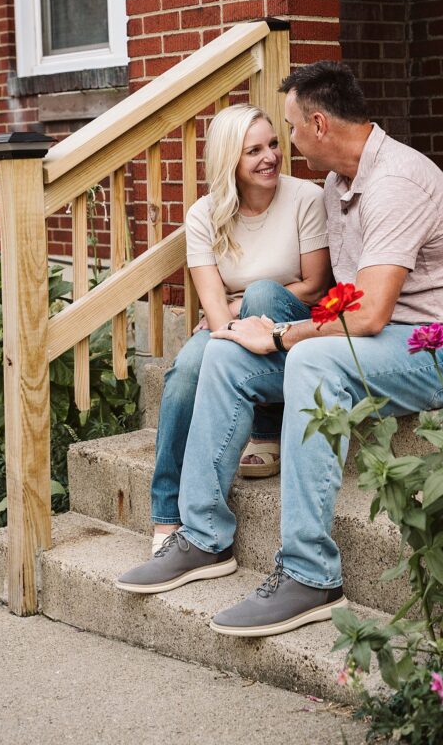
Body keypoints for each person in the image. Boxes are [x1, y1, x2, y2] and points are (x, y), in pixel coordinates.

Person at [117, 63, 443, 639]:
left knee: (309, 358)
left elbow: (367, 314)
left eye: (288, 128)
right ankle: (202, 537)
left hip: (439, 351)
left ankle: (309, 573)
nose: (285, 144)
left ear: (318, 123)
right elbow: (344, 305)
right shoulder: (339, 185)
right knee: (226, 353)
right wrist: (263, 329)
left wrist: (285, 335)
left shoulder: (396, 183)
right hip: (378, 344)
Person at [144, 103, 331, 557]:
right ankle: (167, 515)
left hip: (290, 318)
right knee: (188, 368)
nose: (270, 156)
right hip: (233, 324)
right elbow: (213, 308)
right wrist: (228, 310)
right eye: (254, 151)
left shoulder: (306, 197)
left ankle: (268, 429)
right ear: (230, 159)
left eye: (273, 144)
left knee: (265, 294)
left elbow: (315, 285)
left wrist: (240, 300)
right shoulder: (204, 216)